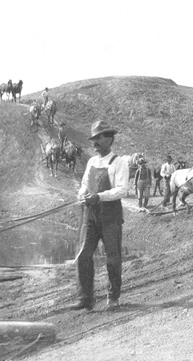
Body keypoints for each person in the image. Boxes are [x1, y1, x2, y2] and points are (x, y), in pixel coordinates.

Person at [71, 120, 129, 311]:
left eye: (99, 137)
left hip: (110, 216)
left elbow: (122, 190)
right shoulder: (92, 162)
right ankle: (86, 298)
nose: (95, 141)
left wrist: (100, 196)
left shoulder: (119, 162)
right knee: (83, 255)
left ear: (109, 139)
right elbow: (85, 185)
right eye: (93, 138)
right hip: (90, 215)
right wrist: (82, 195)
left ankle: (113, 298)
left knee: (112, 257)